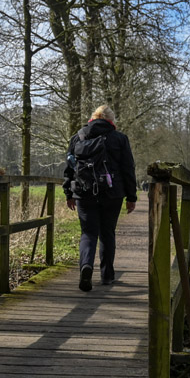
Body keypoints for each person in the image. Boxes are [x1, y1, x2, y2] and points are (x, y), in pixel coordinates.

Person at [63, 105, 137, 291]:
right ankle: (107, 275)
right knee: (107, 233)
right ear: (111, 121)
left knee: (88, 233)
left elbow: (70, 168)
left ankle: (86, 266)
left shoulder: (78, 137)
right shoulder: (120, 139)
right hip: (112, 193)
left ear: (92, 118)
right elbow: (128, 169)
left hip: (84, 192)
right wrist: (131, 196)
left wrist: (69, 193)